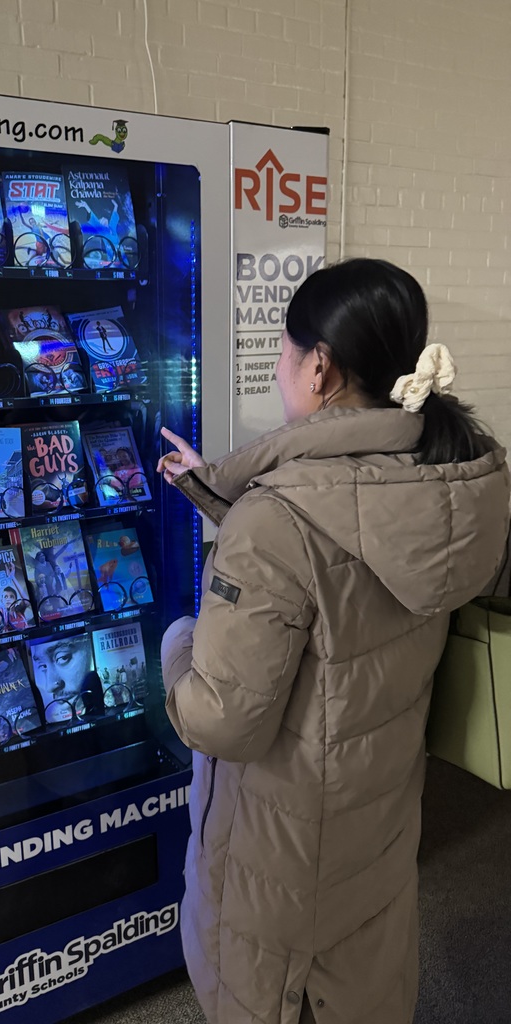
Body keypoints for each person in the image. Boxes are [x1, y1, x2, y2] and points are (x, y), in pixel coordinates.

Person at [157, 258, 510, 1024]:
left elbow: (224, 721)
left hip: (279, 862)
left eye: (283, 353)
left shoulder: (277, 522)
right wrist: (223, 501)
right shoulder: (453, 478)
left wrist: (176, 643)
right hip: (377, 823)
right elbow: (342, 556)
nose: (278, 370)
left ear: (318, 366)